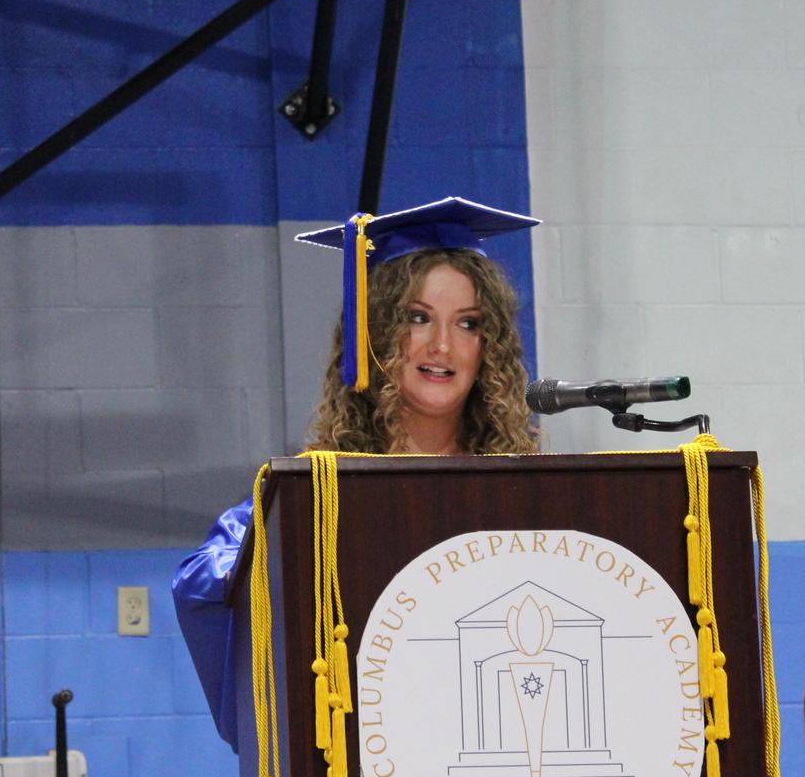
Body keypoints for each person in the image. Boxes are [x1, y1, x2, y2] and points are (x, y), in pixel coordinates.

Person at [172, 197, 540, 746]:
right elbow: (204, 581)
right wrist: (281, 555)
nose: (442, 345)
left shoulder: (528, 493)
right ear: (372, 333)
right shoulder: (319, 493)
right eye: (418, 318)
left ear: (490, 348)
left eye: (468, 324)